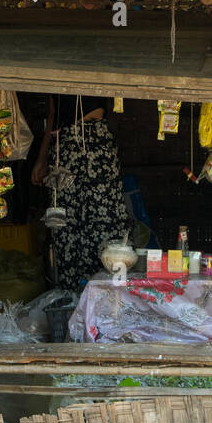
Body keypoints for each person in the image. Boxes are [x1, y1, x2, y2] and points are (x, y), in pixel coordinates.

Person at [34, 95, 132, 288]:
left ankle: (108, 288)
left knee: (106, 216)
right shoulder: (55, 76)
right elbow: (52, 115)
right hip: (67, 143)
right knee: (66, 219)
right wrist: (42, 158)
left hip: (98, 140)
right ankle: (73, 291)